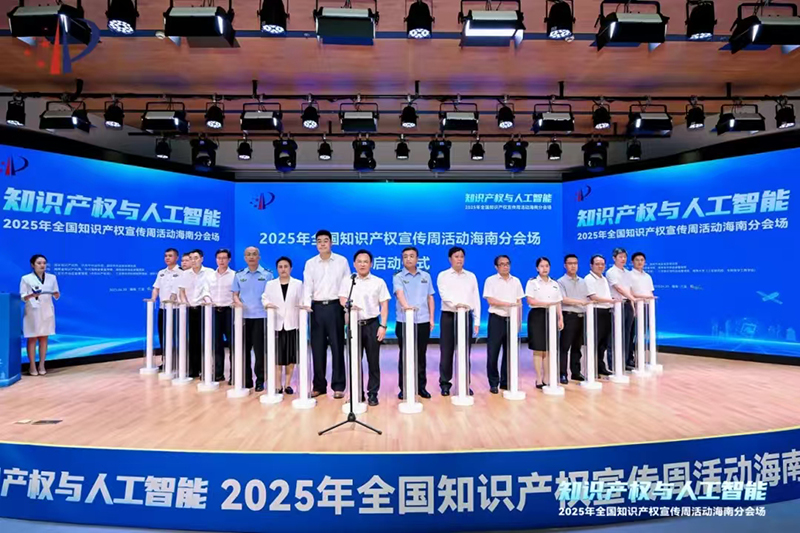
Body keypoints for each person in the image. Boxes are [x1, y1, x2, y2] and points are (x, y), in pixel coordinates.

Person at [302, 230, 351, 399]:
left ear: (331, 243)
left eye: (325, 241)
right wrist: (306, 305)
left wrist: (345, 306)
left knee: (337, 347)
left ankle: (338, 386)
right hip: (316, 309)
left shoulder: (341, 261)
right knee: (317, 348)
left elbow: (346, 284)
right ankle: (319, 386)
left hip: (335, 307)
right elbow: (307, 285)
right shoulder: (310, 263)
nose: (322, 244)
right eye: (319, 241)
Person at [339, 249, 390, 407]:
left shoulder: (378, 282)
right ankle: (357, 393)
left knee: (373, 361)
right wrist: (349, 306)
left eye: (365, 261)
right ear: (354, 264)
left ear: (371, 264)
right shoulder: (348, 281)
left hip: (372, 324)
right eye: (359, 261)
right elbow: (342, 298)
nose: (362, 264)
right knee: (354, 361)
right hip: (354, 325)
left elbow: (384, 305)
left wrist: (383, 325)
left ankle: (373, 394)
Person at [437, 247, 480, 397]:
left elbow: (475, 298)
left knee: (465, 352)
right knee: (446, 351)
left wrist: (477, 320)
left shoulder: (471, 276)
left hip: (466, 316)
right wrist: (457, 305)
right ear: (450, 259)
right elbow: (444, 295)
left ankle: (464, 384)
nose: (459, 259)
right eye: (456, 256)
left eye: (462, 256)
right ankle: (445, 384)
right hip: (449, 316)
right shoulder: (443, 275)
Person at [393, 247, 435, 400]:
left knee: (421, 355)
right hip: (404, 321)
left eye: (411, 256)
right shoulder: (398, 276)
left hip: (422, 320)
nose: (408, 259)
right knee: (405, 355)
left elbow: (430, 298)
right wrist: (407, 307)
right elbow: (399, 294)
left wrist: (431, 319)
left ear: (417, 259)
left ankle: (421, 387)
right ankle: (404, 388)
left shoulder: (426, 276)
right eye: (405, 256)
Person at [232, 246, 274, 391]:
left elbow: (271, 294)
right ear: (245, 257)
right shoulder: (239, 275)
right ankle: (246, 379)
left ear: (259, 257)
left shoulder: (267, 275)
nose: (251, 257)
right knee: (243, 350)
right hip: (243, 318)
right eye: (248, 254)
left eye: (254, 254)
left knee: (259, 352)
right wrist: (238, 303)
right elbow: (235, 294)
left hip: (261, 317)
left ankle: (260, 380)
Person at [482, 255, 524, 394]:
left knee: (510, 353)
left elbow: (519, 302)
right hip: (496, 319)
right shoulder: (491, 280)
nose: (505, 266)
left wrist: (518, 321)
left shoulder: (516, 281)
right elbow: (491, 300)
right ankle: (494, 382)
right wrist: (509, 304)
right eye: (502, 264)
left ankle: (506, 382)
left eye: (507, 264)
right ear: (496, 267)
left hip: (511, 320)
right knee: (493, 353)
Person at [261, 257, 303, 395]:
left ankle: (288, 384)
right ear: (277, 269)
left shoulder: (298, 284)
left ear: (291, 268)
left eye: (286, 266)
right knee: (277, 357)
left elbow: (302, 300)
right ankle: (278, 385)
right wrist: (267, 304)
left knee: (291, 357)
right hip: (276, 325)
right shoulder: (270, 284)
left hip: (292, 324)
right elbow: (265, 298)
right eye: (280, 267)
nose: (283, 269)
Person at [525, 257, 564, 389]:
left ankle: (547, 377)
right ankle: (538, 378)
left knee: (549, 348)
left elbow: (558, 302)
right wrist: (547, 304)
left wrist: (560, 318)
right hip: (537, 315)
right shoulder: (532, 283)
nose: (544, 268)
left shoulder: (555, 283)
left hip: (552, 315)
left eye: (547, 266)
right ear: (537, 268)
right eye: (542, 266)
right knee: (538, 348)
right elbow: (530, 300)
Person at [20, 254, 60, 376]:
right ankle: (32, 366)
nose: (42, 265)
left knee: (44, 338)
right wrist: (32, 295)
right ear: (33, 265)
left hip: (47, 310)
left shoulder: (52, 278)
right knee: (32, 338)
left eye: (44, 263)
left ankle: (42, 364)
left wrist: (56, 294)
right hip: (32, 310)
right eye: (39, 263)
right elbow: (22, 296)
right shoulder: (26, 278)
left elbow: (56, 294)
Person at [179, 249, 213, 378]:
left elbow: (212, 290)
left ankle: (206, 368)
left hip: (205, 309)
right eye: (191, 258)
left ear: (201, 259)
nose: (193, 261)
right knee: (192, 340)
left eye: (196, 258)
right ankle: (193, 368)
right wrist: (185, 303)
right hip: (190, 309)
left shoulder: (209, 272)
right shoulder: (185, 274)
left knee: (206, 339)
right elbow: (182, 291)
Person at [557, 254, 589, 384]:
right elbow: (563, 299)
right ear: (565, 265)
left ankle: (576, 372)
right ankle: (562, 374)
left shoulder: (583, 281)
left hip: (582, 316)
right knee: (565, 347)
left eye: (575, 263)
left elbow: (587, 298)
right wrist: (580, 302)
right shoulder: (560, 282)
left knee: (577, 346)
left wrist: (584, 303)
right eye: (570, 263)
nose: (573, 266)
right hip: (569, 316)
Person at [606, 247, 638, 371]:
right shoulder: (611, 272)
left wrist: (632, 305)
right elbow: (618, 288)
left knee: (627, 334)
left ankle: (624, 362)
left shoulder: (627, 273)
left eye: (624, 257)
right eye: (620, 257)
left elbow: (629, 289)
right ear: (614, 258)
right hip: (617, 305)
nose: (623, 259)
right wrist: (632, 298)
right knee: (615, 335)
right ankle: (613, 363)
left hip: (627, 304)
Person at [150, 248, 182, 368]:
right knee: (163, 336)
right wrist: (153, 299)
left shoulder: (181, 272)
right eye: (166, 256)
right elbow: (156, 288)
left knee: (177, 336)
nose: (167, 258)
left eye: (170, 256)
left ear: (176, 257)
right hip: (163, 309)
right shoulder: (161, 272)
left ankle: (179, 361)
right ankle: (166, 361)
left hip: (176, 310)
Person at [585, 255, 615, 376]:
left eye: (602, 264)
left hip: (607, 311)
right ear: (591, 265)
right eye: (597, 264)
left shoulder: (604, 278)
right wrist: (610, 300)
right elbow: (593, 297)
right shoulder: (588, 279)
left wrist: (611, 301)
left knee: (603, 342)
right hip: (596, 311)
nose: (600, 266)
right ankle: (591, 369)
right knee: (595, 342)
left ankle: (600, 366)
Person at [208, 248, 235, 382]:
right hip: (214, 311)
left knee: (233, 343)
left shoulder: (234, 275)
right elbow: (206, 292)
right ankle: (218, 373)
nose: (221, 260)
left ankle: (234, 374)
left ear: (229, 259)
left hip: (229, 311)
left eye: (224, 258)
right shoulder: (210, 276)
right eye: (219, 258)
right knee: (216, 344)